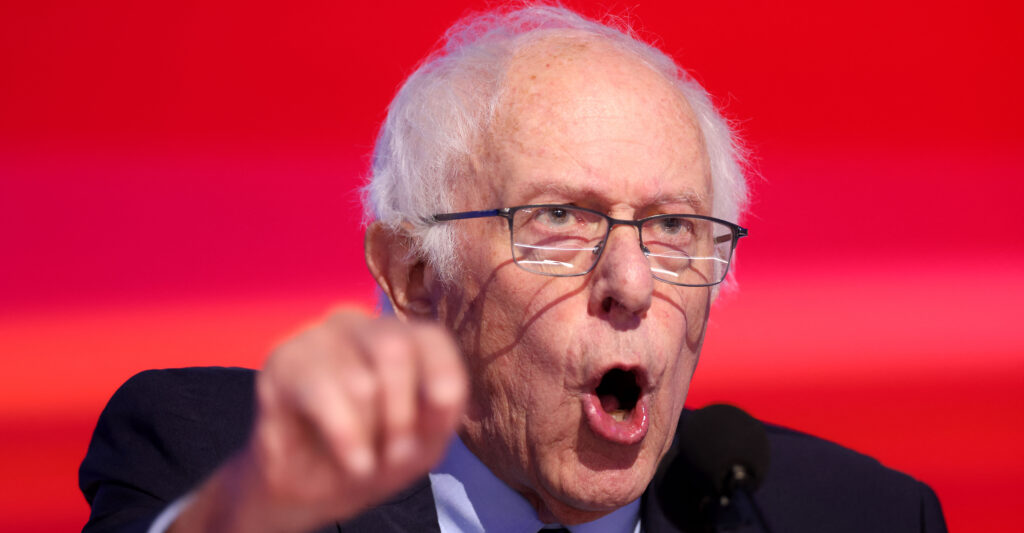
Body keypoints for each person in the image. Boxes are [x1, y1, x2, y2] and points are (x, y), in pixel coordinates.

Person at [80, 4, 947, 533]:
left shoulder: (855, 516)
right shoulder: (222, 458)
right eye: (560, 219)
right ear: (416, 275)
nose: (633, 284)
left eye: (674, 226)